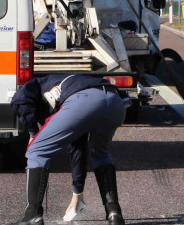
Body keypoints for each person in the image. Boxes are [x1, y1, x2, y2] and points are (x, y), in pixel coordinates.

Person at [9, 74, 127, 225]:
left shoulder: (35, 85)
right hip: (114, 101)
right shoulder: (64, 83)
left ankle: (32, 215)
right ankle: (114, 213)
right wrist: (77, 193)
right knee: (101, 153)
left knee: (36, 150)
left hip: (82, 100)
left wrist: (32, 132)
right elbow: (77, 149)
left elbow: (19, 99)